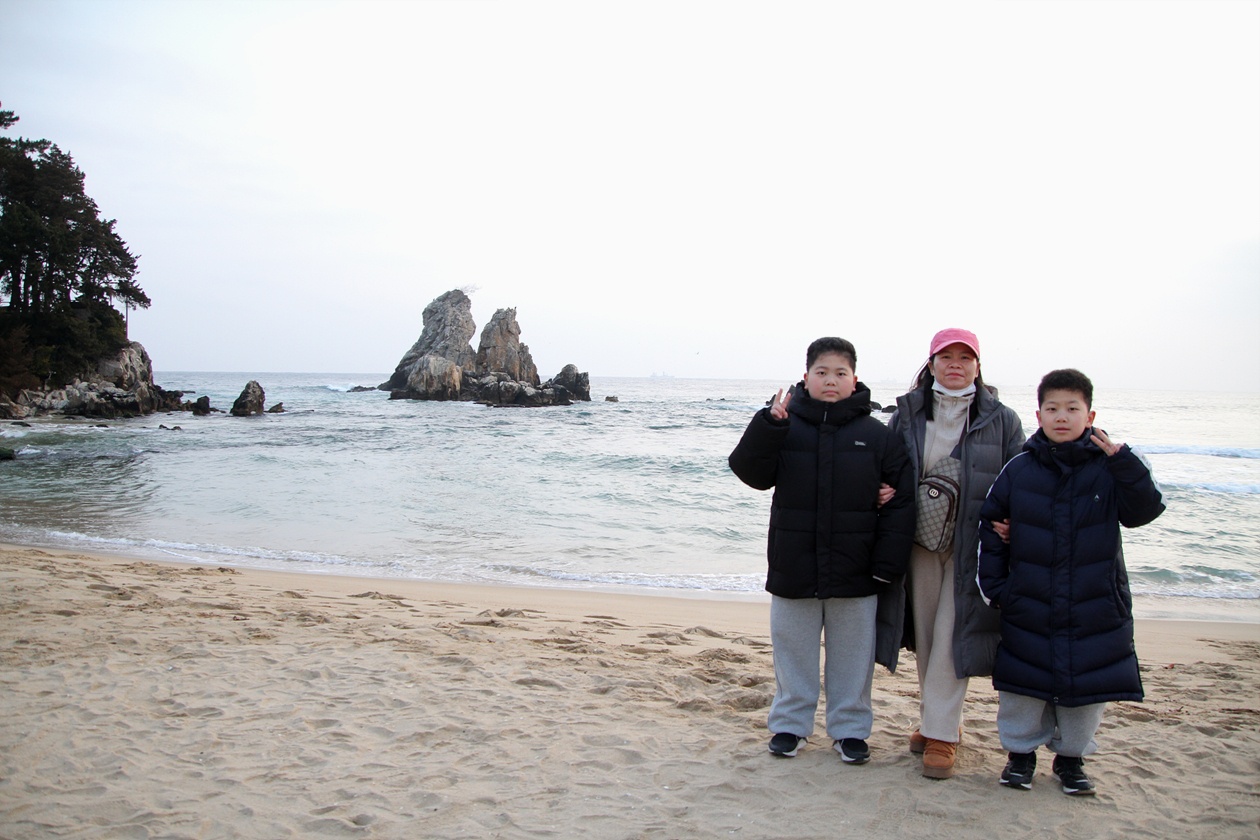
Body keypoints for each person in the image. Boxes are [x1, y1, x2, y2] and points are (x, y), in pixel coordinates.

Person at [977, 368, 1165, 796]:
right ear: (1039, 415)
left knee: (1089, 686)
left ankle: (1072, 759)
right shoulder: (1020, 469)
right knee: (1023, 686)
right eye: (1052, 409)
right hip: (1030, 599)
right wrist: (999, 591)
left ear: (1090, 415)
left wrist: (1123, 461)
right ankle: (1020, 755)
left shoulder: (1111, 467)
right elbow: (991, 526)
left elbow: (1144, 511)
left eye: (1072, 409)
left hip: (1095, 602)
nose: (1061, 417)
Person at [729, 336, 915, 764]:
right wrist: (767, 425)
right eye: (822, 372)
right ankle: (790, 726)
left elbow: (902, 500)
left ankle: (850, 730)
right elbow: (750, 473)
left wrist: (887, 565)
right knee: (793, 651)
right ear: (806, 377)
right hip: (794, 562)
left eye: (840, 373)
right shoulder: (784, 426)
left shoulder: (876, 435)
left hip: (857, 567)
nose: (831, 380)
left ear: (855, 379)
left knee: (853, 657)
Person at [887, 328, 1026, 779]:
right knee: (927, 635)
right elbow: (887, 466)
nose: (956, 365)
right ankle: (938, 721)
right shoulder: (907, 413)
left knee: (951, 635)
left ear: (978, 366)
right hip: (920, 540)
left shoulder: (1002, 419)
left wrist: (1016, 523)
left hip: (974, 545)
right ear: (930, 365)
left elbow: (1021, 476)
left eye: (966, 358)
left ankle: (942, 735)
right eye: (946, 357)